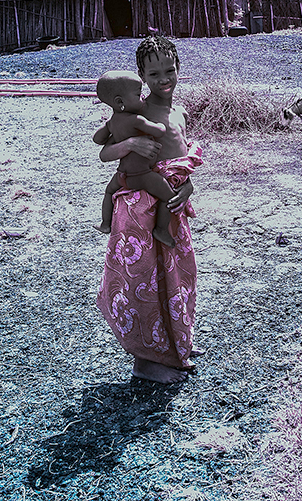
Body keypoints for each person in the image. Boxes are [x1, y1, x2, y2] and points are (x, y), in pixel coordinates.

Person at [95, 36, 203, 384]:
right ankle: (146, 361)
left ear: (179, 69)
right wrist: (130, 143)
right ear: (141, 76)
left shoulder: (179, 112)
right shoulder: (136, 112)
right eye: (154, 74)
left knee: (177, 275)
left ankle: (176, 341)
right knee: (145, 280)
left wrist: (188, 186)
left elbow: (180, 160)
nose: (164, 79)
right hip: (141, 208)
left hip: (171, 204)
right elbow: (106, 153)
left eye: (169, 70)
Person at [92, 70, 178, 248]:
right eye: (138, 95)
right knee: (169, 196)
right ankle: (161, 229)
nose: (143, 97)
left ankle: (105, 223)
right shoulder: (137, 120)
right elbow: (160, 131)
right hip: (141, 175)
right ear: (120, 102)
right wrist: (161, 123)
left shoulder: (112, 122)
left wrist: (110, 128)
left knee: (109, 192)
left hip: (121, 175)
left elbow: (97, 139)